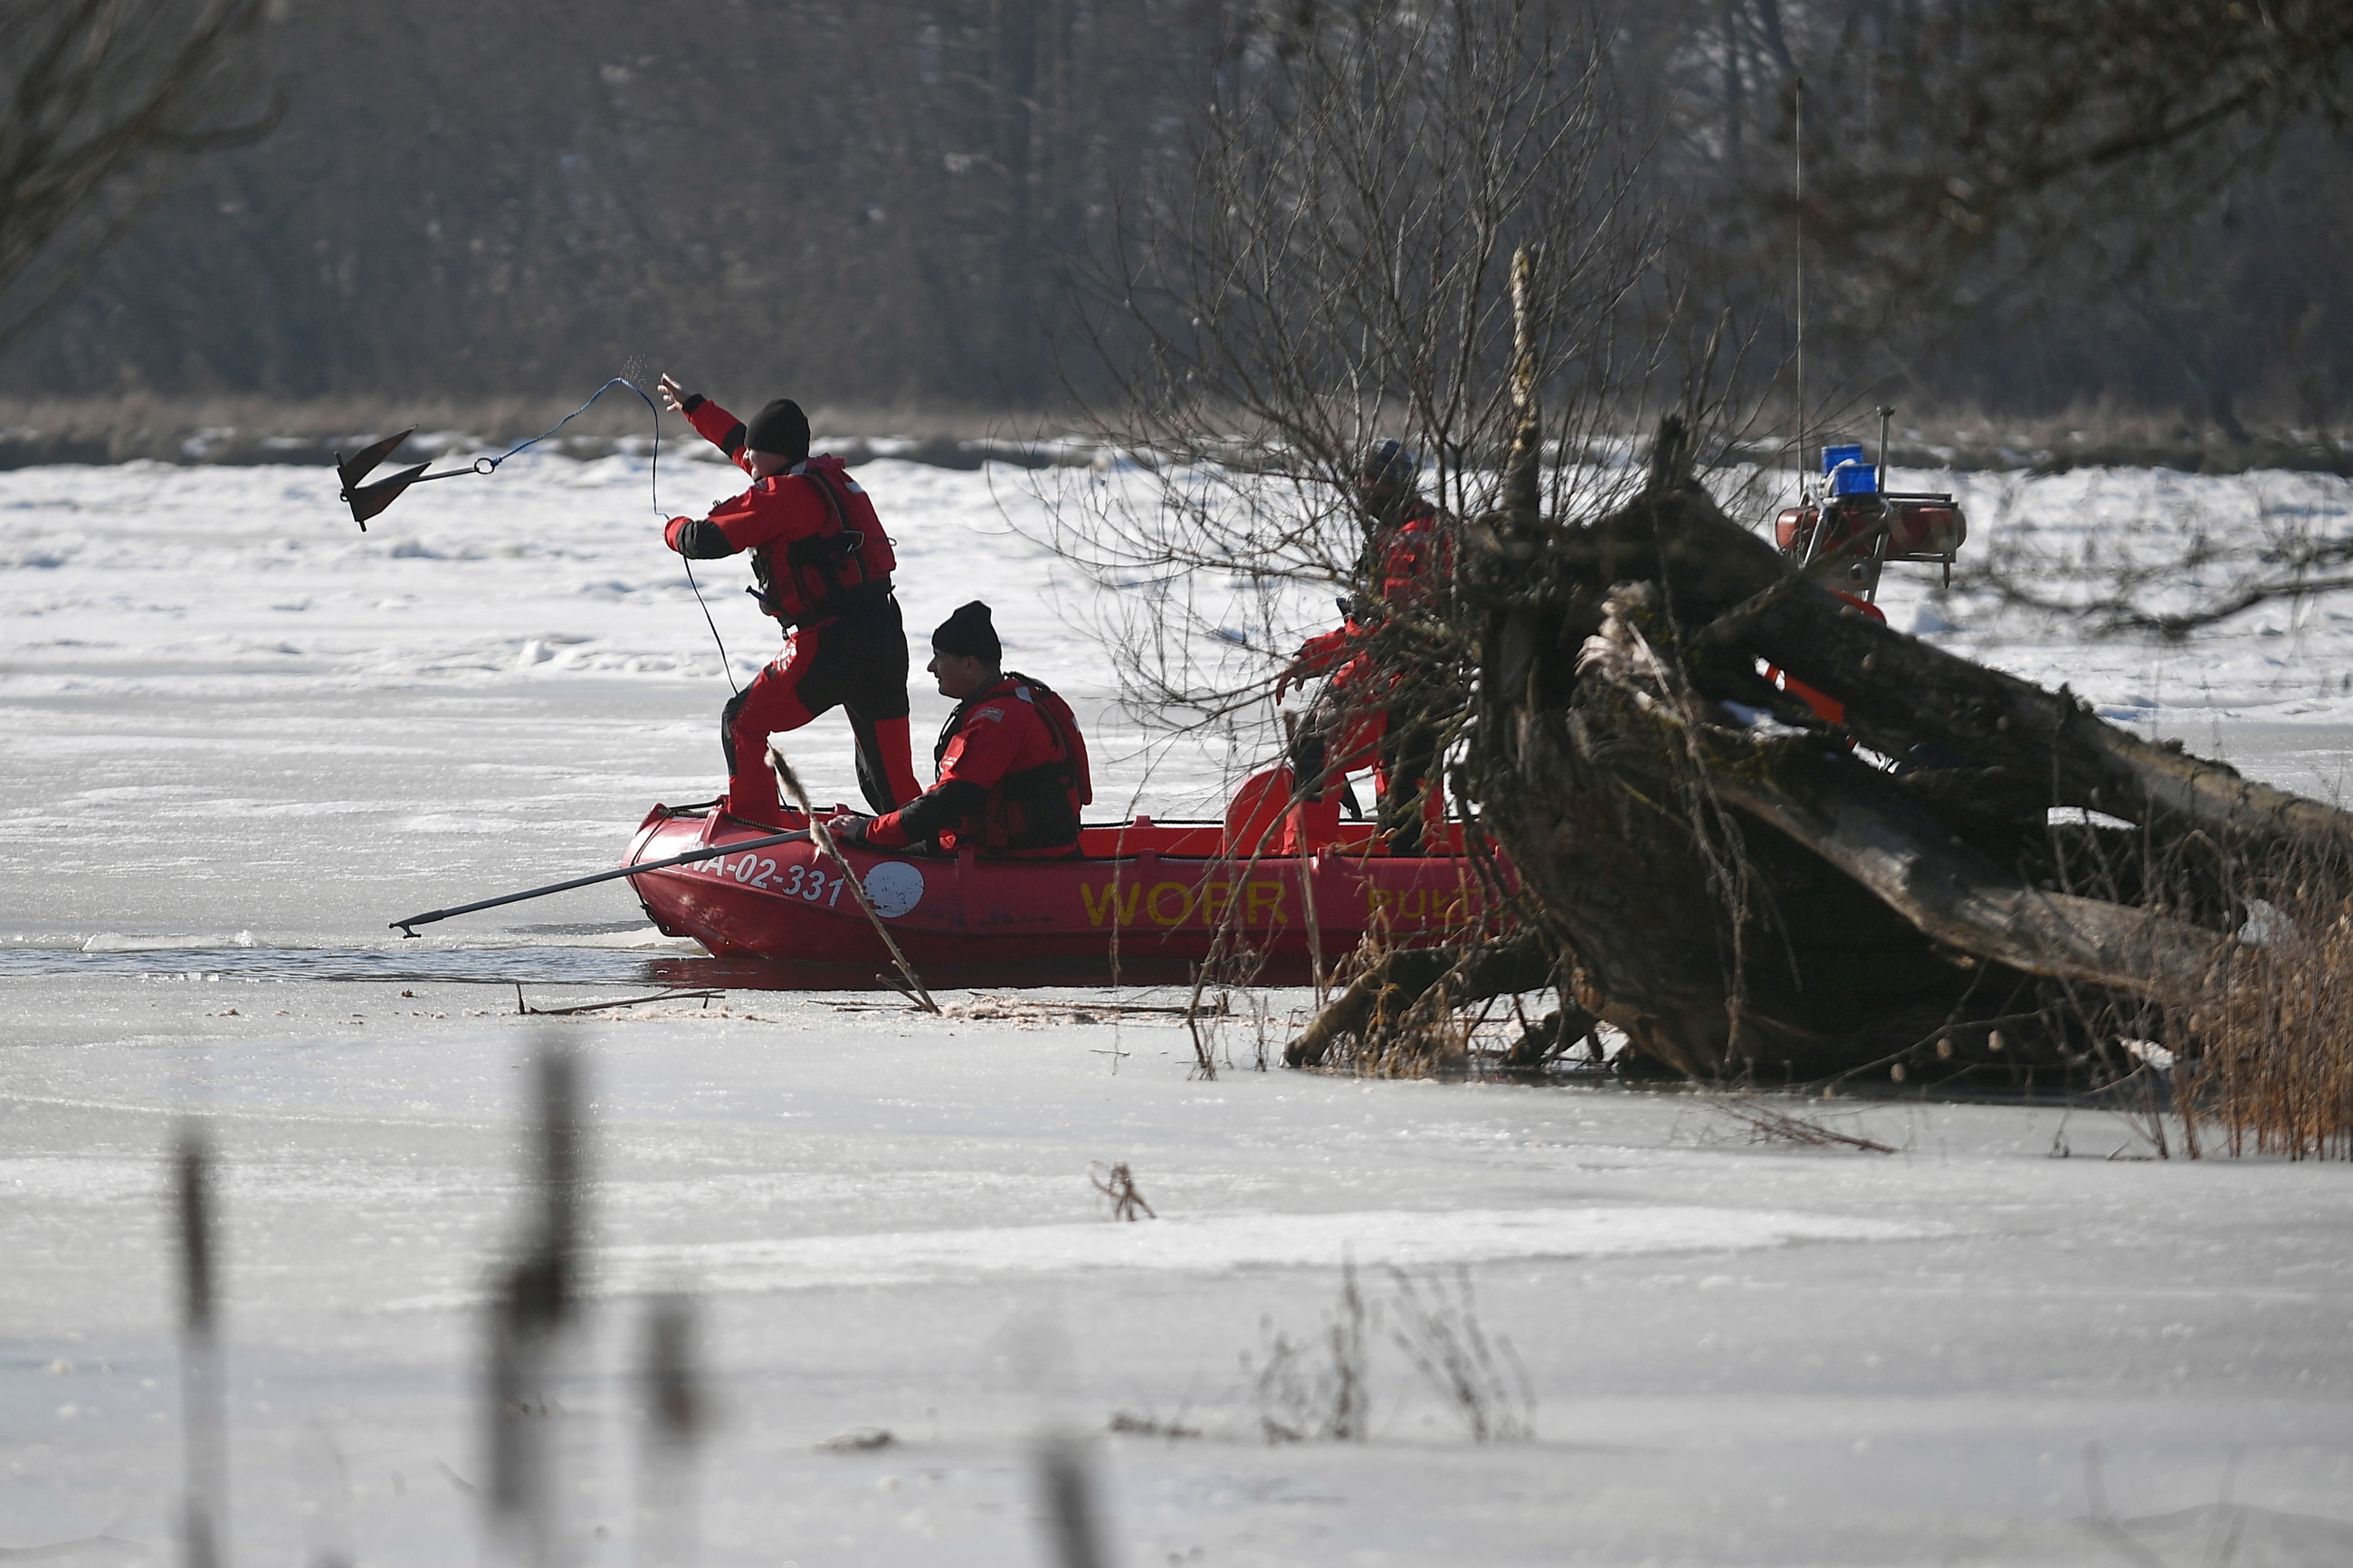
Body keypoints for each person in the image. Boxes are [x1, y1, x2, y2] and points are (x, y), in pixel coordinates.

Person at [656, 374, 922, 826]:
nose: (748, 464)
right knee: (890, 784)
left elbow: (707, 540)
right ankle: (931, 848)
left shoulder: (783, 497)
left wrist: (671, 527)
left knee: (742, 721)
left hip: (831, 644)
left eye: (755, 457)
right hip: (883, 636)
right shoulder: (821, 479)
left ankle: (751, 823)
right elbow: (742, 445)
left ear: (774, 454)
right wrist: (695, 406)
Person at [1279, 440, 1451, 854]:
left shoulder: (1412, 540)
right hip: (1419, 681)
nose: (1363, 489)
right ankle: (1411, 867)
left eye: (1371, 481)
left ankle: (1307, 857)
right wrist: (1312, 656)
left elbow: (1393, 633)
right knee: (1406, 780)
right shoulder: (1409, 532)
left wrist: (1339, 681)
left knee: (1317, 747)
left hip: (1403, 679)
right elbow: (1370, 625)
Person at [834, 602, 1091, 859]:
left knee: (867, 847)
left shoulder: (998, 720)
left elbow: (948, 801)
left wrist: (868, 832)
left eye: (940, 657)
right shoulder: (1013, 699)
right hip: (1024, 849)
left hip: (1021, 859)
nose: (931, 667)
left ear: (970, 665)